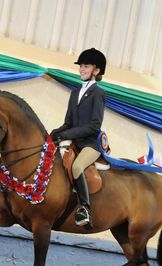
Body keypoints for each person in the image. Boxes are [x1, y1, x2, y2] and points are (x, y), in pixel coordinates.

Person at [50, 48, 107, 229]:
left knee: (77, 166)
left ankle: (85, 209)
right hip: (75, 142)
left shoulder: (98, 93)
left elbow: (94, 126)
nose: (82, 69)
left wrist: (66, 135)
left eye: (86, 66)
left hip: (91, 144)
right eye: (81, 66)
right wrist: (55, 132)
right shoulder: (75, 93)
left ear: (96, 71)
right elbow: (68, 123)